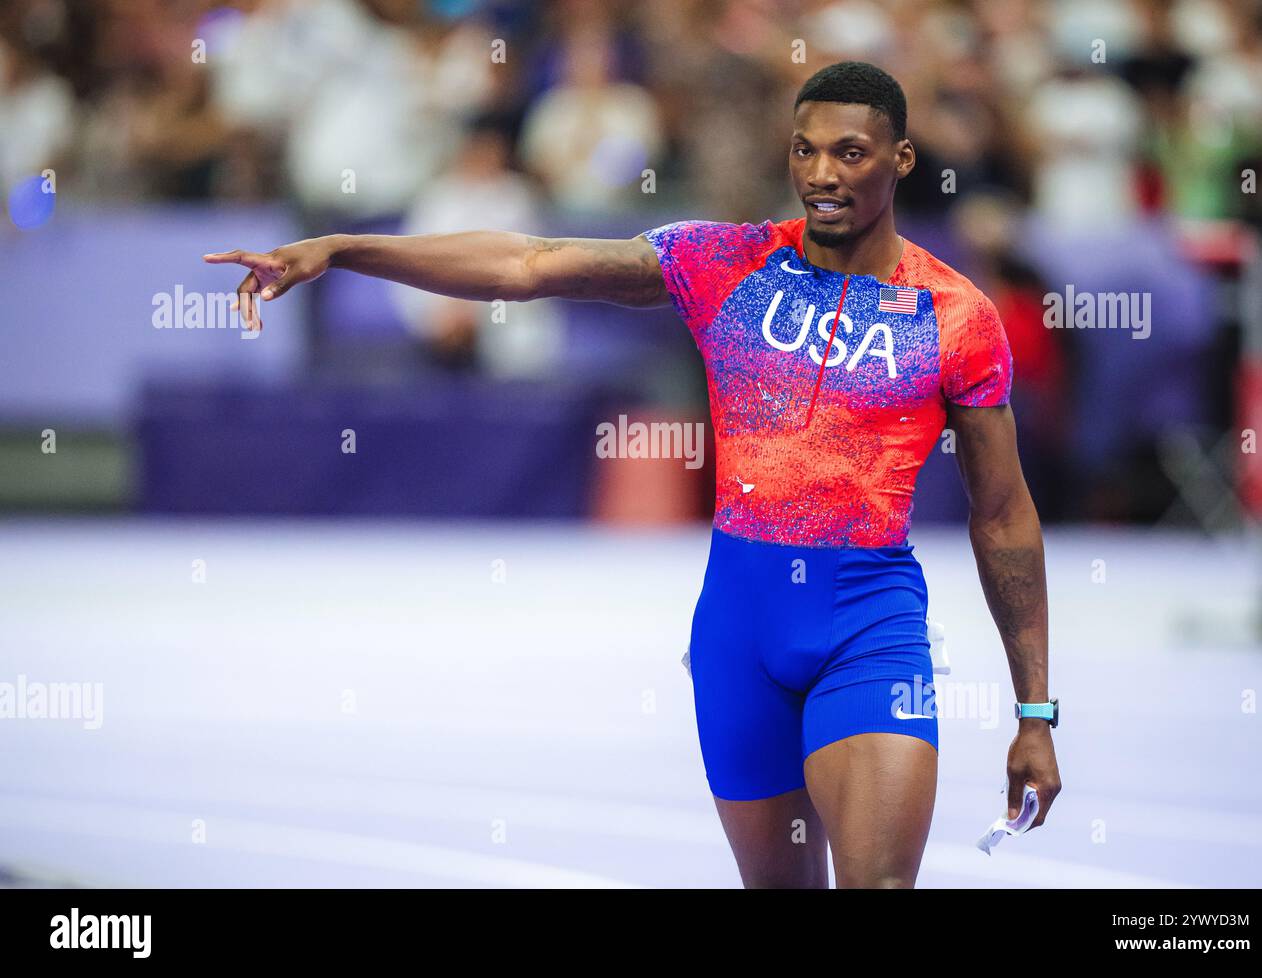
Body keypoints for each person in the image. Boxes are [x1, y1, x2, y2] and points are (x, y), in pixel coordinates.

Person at [204, 60, 1061, 889]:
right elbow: (526, 264)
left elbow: (1003, 514)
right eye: (805, 150)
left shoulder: (956, 316)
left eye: (850, 152)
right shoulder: (725, 262)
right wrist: (345, 248)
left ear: (901, 159)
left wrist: (1034, 713)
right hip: (738, 637)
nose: (822, 173)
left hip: (870, 629)